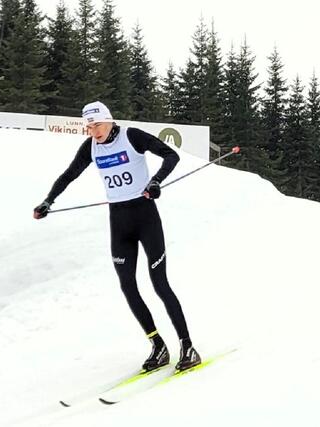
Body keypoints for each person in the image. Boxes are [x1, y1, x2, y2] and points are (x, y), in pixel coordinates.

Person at [33, 101, 201, 372]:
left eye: (97, 125)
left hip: (145, 215)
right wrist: (48, 201)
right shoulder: (91, 147)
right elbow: (69, 175)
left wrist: (155, 181)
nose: (94, 131)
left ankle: (187, 344)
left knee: (159, 284)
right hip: (119, 220)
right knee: (127, 284)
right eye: (89, 127)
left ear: (109, 120)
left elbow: (171, 156)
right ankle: (158, 345)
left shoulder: (131, 136)